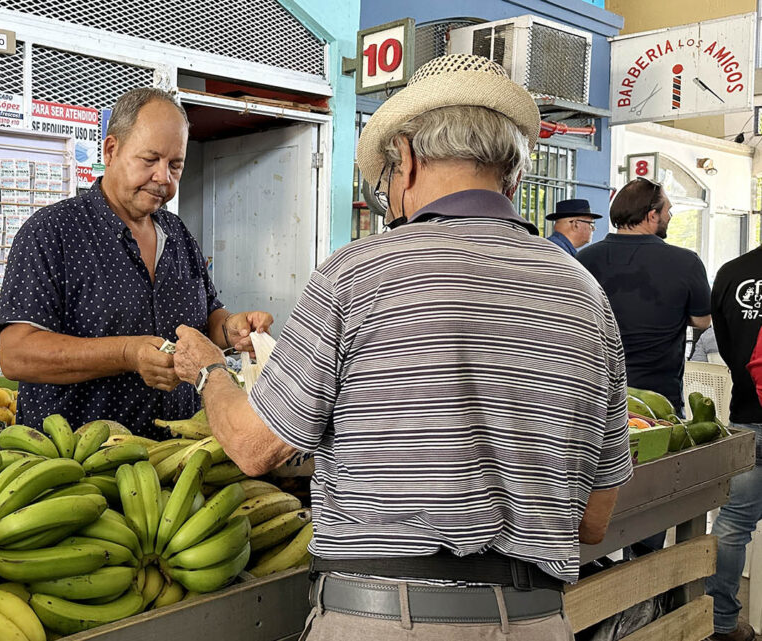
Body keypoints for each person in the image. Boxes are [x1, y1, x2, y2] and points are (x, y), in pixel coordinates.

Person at [173, 54, 631, 640]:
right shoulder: (585, 294)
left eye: (386, 179)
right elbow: (593, 520)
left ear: (407, 160)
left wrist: (209, 369)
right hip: (535, 622)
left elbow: (255, 448)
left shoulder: (358, 274)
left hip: (383, 620)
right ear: (512, 176)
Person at [0, 88, 272, 440]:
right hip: (79, 469)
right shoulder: (51, 233)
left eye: (175, 165)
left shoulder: (178, 233)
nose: (163, 178)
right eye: (150, 159)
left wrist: (232, 329)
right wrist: (126, 353)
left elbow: (209, 317)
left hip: (177, 458)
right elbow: (16, 354)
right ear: (112, 150)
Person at [577, 178, 712, 415]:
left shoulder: (583, 260)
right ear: (652, 215)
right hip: (659, 404)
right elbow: (703, 321)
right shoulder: (686, 262)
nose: (670, 216)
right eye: (668, 210)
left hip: (596, 399)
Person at [704, 245, 762, 641]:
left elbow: (723, 342)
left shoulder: (733, 271)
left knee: (732, 526)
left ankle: (720, 623)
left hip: (747, 414)